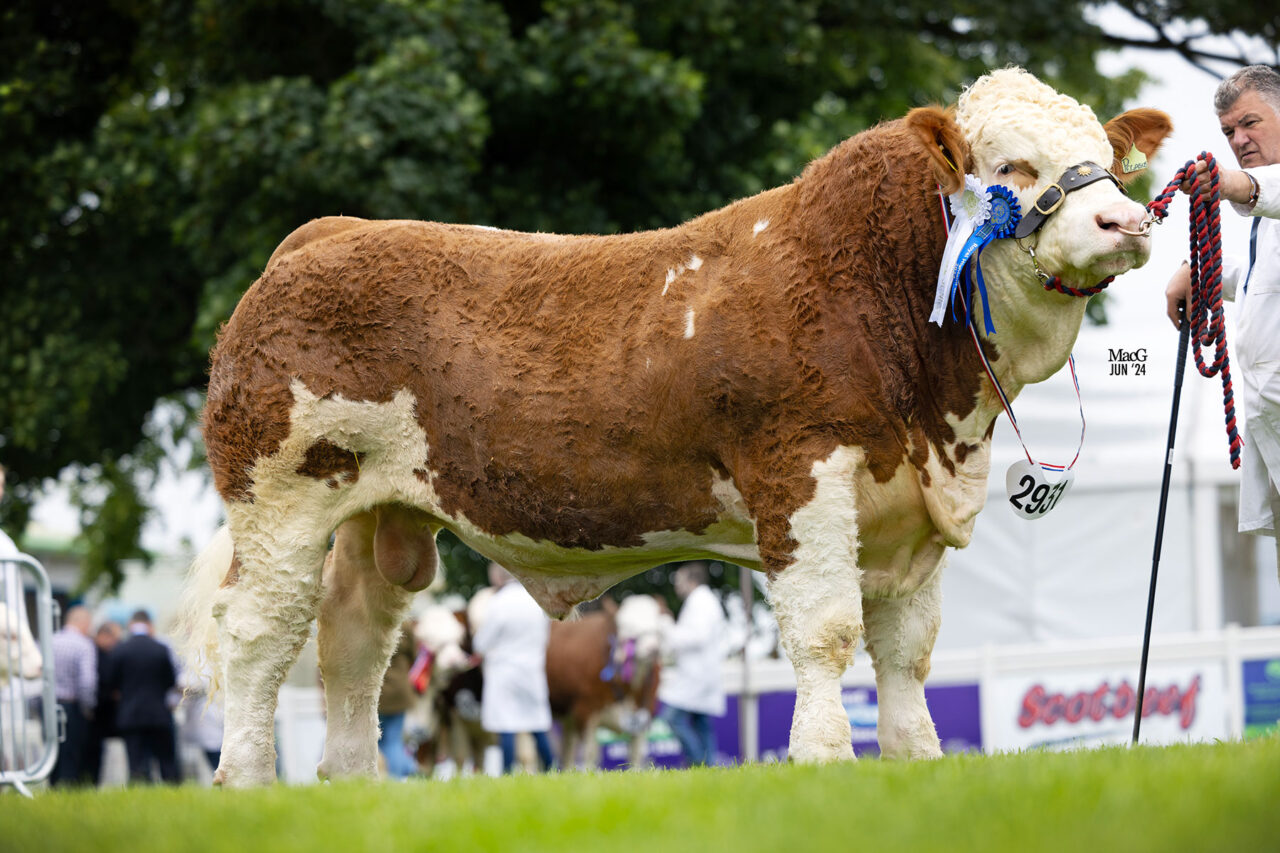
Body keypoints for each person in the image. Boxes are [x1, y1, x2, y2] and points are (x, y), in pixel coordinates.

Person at [1165, 65, 1280, 570]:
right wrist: (1206, 270)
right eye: (1228, 132)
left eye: (1250, 123)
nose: (1239, 139)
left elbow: (1259, 188)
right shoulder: (1264, 220)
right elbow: (1265, 284)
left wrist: (1228, 183)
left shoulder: (1261, 193)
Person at [471, 562, 555, 774]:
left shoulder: (498, 603)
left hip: (504, 672)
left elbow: (481, 644)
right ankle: (553, 769)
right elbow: (545, 637)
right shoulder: (537, 602)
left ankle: (507, 773)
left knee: (505, 725)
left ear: (498, 578)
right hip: (532, 670)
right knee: (537, 724)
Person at [657, 562, 727, 767]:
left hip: (697, 674)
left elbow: (697, 636)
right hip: (701, 673)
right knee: (701, 722)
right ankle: (708, 765)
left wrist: (666, 626)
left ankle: (698, 761)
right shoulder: (702, 601)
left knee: (671, 718)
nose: (677, 586)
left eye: (679, 581)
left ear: (691, 581)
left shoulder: (701, 602)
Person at [103, 609, 179, 784]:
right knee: (166, 760)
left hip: (131, 713)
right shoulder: (160, 649)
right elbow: (171, 680)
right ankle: (172, 792)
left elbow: (111, 681)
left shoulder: (120, 649)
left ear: (131, 625)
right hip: (159, 713)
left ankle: (141, 788)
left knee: (136, 762)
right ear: (149, 625)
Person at [49, 605, 97, 785]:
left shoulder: (49, 641)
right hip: (72, 706)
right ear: (82, 622)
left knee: (52, 751)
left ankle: (53, 789)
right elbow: (87, 682)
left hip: (49, 704)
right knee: (72, 752)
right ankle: (68, 788)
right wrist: (87, 707)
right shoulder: (84, 645)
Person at [376, 620, 419, 780]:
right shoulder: (403, 623)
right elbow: (414, 655)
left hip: (375, 691)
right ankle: (397, 779)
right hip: (399, 692)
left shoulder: (368, 619)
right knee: (393, 741)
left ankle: (382, 779)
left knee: (375, 741)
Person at [85, 620, 123, 785]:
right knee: (92, 752)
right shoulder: (93, 654)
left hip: (102, 712)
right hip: (96, 712)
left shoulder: (105, 654)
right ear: (103, 636)